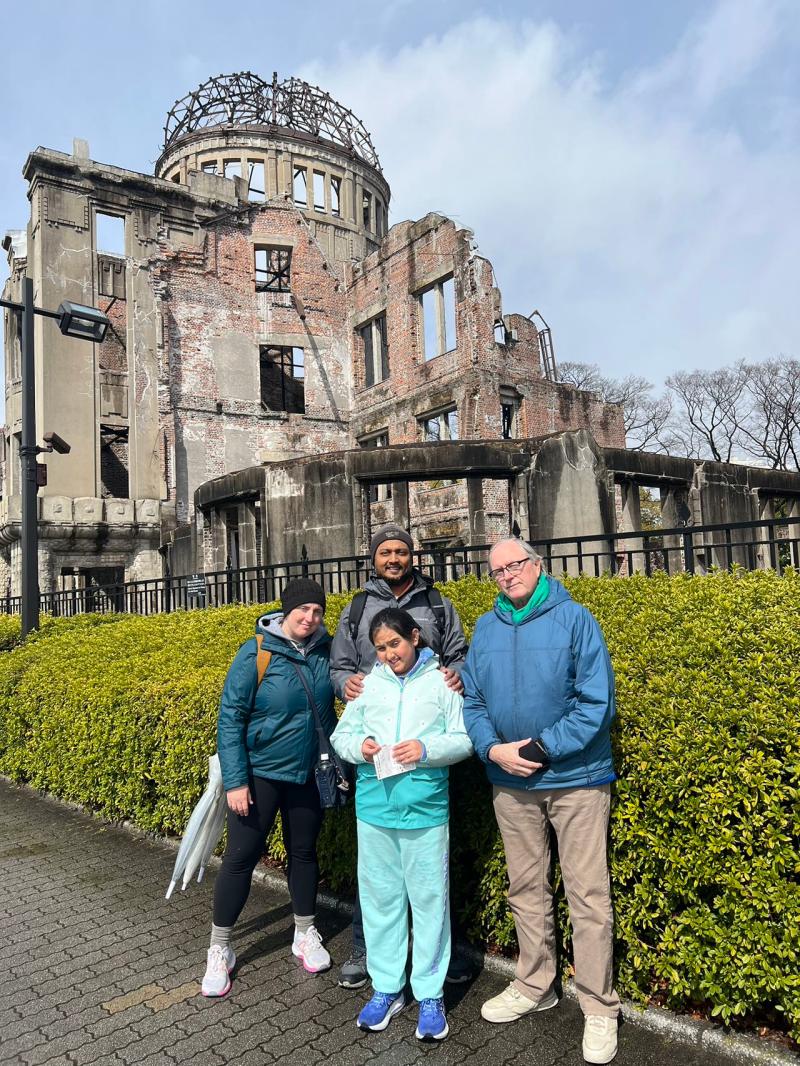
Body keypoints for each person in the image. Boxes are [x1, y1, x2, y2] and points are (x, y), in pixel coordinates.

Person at [461, 539, 621, 1065]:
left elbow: (595, 701)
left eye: (514, 565)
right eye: (497, 570)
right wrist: (492, 748)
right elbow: (474, 700)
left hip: (575, 778)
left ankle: (599, 1006)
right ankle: (535, 984)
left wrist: (539, 747)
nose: (507, 575)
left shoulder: (576, 619)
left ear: (537, 565)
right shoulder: (484, 628)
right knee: (526, 889)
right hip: (511, 783)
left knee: (588, 895)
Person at [329, 524, 472, 989]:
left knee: (431, 879)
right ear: (374, 559)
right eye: (385, 552)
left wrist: (455, 676)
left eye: (401, 551)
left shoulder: (436, 602)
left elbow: (459, 654)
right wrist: (345, 685)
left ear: (413, 556)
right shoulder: (356, 607)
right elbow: (341, 665)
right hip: (377, 762)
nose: (394, 558)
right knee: (377, 880)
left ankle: (437, 962)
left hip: (424, 771)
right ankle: (366, 950)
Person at [201, 578, 337, 998]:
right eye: (303, 611)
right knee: (240, 858)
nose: (310, 619)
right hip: (260, 775)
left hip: (309, 774)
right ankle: (220, 947)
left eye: (317, 612)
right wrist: (237, 781)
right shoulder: (256, 652)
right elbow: (231, 718)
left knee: (303, 853)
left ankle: (304, 932)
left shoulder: (327, 651)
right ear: (286, 611)